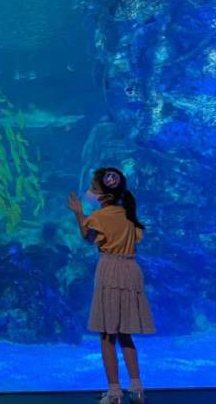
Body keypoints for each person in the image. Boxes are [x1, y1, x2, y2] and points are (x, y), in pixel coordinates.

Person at [66, 167, 155, 404]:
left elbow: (88, 238)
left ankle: (114, 393)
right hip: (131, 270)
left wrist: (79, 213)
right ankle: (137, 389)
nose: (91, 191)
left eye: (94, 187)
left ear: (103, 194)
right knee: (126, 333)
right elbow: (136, 238)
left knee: (107, 335)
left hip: (110, 270)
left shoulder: (100, 216)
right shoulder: (128, 214)